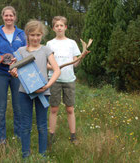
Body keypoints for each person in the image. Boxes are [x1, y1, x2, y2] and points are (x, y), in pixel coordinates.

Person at [10, 20, 60, 158]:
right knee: (25, 125)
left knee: (42, 126)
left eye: (38, 35)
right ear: (27, 35)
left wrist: (48, 85)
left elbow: (57, 70)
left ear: (42, 35)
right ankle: (25, 155)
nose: (35, 38)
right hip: (24, 93)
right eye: (32, 35)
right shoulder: (20, 52)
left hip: (43, 93)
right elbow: (14, 70)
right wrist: (14, 73)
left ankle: (42, 156)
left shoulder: (46, 50)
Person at [47, 16, 90, 145]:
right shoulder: (50, 44)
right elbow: (46, 64)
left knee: (70, 109)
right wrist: (55, 68)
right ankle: (51, 137)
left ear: (65, 27)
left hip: (69, 80)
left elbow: (75, 63)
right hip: (54, 80)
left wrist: (81, 57)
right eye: (57, 26)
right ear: (53, 28)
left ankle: (73, 136)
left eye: (61, 25)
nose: (59, 27)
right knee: (54, 109)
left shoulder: (71, 43)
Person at [0, 6, 26, 144]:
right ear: (3, 17)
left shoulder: (21, 34)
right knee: (1, 106)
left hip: (17, 73)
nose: (9, 18)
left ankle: (19, 135)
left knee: (18, 105)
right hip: (0, 74)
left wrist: (19, 63)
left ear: (15, 17)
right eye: (6, 15)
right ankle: (1, 137)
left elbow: (26, 52)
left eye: (11, 15)